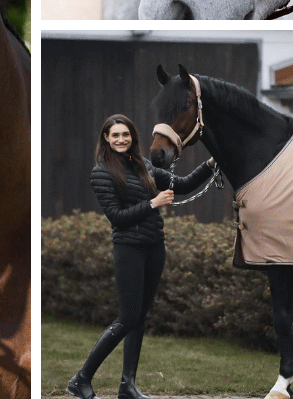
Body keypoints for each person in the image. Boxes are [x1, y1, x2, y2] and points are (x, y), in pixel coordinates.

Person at [67, 114, 215, 399]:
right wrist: (153, 203)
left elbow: (182, 184)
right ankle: (80, 379)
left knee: (139, 317)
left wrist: (210, 164)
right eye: (115, 135)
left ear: (133, 137)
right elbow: (117, 217)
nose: (121, 139)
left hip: (154, 247)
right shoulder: (101, 172)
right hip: (129, 249)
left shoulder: (144, 166)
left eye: (126, 134)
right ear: (106, 140)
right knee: (127, 317)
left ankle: (128, 385)